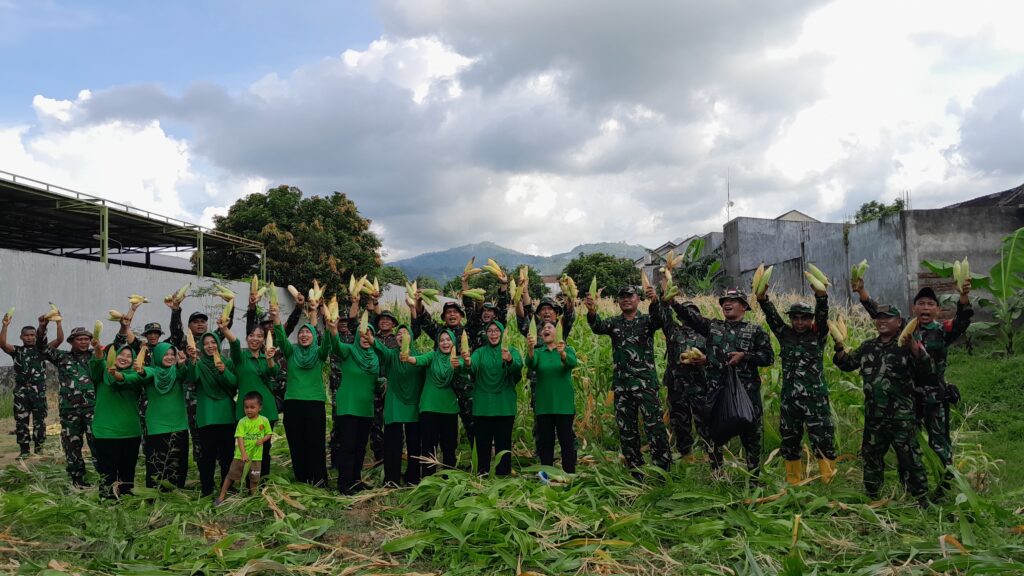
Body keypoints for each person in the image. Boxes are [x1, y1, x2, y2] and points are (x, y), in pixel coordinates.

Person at [853, 276, 972, 494]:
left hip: (934, 396)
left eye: (930, 304)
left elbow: (962, 322)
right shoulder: (905, 328)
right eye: (921, 304)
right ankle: (909, 486)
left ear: (937, 309)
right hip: (906, 398)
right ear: (914, 308)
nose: (925, 308)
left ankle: (944, 487)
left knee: (939, 444)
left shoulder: (943, 330)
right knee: (907, 446)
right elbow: (879, 314)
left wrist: (963, 296)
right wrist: (862, 293)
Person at [833, 305, 931, 504]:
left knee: (910, 459)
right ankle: (872, 496)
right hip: (874, 416)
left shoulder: (906, 345)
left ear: (898, 322)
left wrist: (912, 344)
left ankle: (920, 498)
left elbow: (927, 368)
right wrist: (839, 348)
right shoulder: (868, 346)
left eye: (888, 318)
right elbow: (847, 364)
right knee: (871, 458)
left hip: (901, 417)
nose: (882, 321)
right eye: (879, 318)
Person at [674, 288, 774, 476]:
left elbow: (768, 358)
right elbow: (691, 317)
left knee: (751, 435)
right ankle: (717, 473)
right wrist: (673, 302)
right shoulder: (713, 327)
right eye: (724, 301)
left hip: (746, 392)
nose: (727, 303)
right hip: (715, 391)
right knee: (711, 434)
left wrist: (745, 356)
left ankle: (754, 477)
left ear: (744, 306)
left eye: (733, 300)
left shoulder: (755, 330)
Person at [584, 285, 671, 472]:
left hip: (646, 384)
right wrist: (591, 312)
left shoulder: (647, 321)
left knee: (655, 428)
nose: (626, 299)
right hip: (623, 387)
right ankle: (635, 470)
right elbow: (597, 327)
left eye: (630, 296)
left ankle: (663, 470)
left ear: (638, 299)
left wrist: (655, 301)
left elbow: (663, 319)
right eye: (622, 297)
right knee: (627, 432)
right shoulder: (614, 323)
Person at [756, 286, 837, 485]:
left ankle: (828, 480)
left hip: (815, 398)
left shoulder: (818, 335)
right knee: (790, 440)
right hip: (790, 399)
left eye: (804, 318)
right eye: (795, 318)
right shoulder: (785, 334)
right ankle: (793, 481)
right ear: (791, 319)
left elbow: (822, 314)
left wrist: (821, 296)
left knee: (823, 439)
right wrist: (763, 299)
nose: (800, 322)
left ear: (811, 320)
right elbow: (773, 317)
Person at [272, 304, 332, 487]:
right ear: (297, 337)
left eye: (308, 333)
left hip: (314, 402)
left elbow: (328, 343)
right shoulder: (291, 351)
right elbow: (281, 338)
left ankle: (319, 479)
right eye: (301, 333)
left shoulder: (319, 353)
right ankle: (301, 477)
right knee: (296, 442)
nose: (304, 335)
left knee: (315, 442)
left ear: (314, 337)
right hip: (293, 402)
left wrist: (329, 326)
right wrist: (275, 317)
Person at [40, 319, 97, 487]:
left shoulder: (96, 356)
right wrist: (43, 327)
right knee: (72, 446)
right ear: (71, 341)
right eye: (80, 339)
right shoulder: (62, 357)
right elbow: (42, 348)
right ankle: (77, 480)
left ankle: (105, 478)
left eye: (86, 339)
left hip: (93, 409)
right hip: (69, 410)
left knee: (98, 444)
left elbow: (119, 344)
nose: (84, 341)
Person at [461, 320, 523, 476]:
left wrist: (509, 359)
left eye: (496, 331)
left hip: (504, 406)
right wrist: (467, 361)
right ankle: (483, 473)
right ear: (486, 334)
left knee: (504, 444)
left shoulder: (510, 350)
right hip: (483, 406)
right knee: (483, 444)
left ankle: (503, 475)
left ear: (501, 333)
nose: (493, 334)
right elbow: (471, 366)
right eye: (490, 331)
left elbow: (518, 367)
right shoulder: (480, 352)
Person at [656, 298, 712, 462]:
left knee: (705, 420)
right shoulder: (673, 330)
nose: (689, 315)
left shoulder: (705, 333)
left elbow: (716, 356)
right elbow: (663, 314)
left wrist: (704, 359)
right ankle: (686, 455)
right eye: (686, 312)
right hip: (676, 385)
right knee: (680, 422)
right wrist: (664, 297)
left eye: (693, 312)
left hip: (699, 385)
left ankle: (711, 453)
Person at [412, 296, 474, 443]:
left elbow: (476, 314)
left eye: (455, 312)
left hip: (465, 387)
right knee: (444, 431)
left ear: (461, 315)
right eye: (448, 312)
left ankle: (478, 461)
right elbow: (424, 319)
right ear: (444, 317)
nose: (452, 314)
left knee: (472, 425)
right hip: (445, 389)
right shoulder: (439, 332)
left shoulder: (469, 331)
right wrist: (419, 302)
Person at [223, 322, 279, 480]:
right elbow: (234, 344)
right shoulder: (240, 358)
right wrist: (225, 329)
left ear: (264, 339)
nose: (255, 339)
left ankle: (262, 481)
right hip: (245, 411)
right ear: (247, 338)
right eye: (252, 335)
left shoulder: (266, 356)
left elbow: (274, 372)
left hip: (266, 410)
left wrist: (269, 359)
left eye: (260, 336)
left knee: (264, 449)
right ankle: (246, 481)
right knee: (244, 448)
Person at [402, 329, 462, 477]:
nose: (445, 342)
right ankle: (428, 480)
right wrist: (408, 358)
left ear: (453, 342)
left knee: (449, 447)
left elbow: (465, 368)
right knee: (429, 446)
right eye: (442, 340)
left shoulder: (456, 360)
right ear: (438, 343)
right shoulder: (432, 356)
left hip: (449, 409)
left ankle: (449, 480)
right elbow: (419, 360)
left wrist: (460, 365)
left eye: (448, 339)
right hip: (429, 408)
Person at [373, 323, 426, 486]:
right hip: (395, 402)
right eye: (398, 334)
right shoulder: (391, 355)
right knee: (392, 443)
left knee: (414, 444)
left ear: (411, 337)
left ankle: (413, 478)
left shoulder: (419, 358)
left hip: (414, 404)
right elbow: (380, 349)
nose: (401, 336)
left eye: (405, 333)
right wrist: (369, 338)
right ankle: (392, 479)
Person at [88, 342, 143, 499]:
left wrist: (114, 373)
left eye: (129, 356)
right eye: (121, 354)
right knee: (107, 473)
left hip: (130, 431)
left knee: (127, 473)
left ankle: (126, 500)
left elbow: (124, 380)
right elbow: (98, 362)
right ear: (114, 355)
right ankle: (108, 501)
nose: (124, 358)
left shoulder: (137, 375)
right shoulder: (102, 373)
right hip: (106, 432)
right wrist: (98, 349)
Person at [188, 328, 238, 497]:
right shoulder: (199, 364)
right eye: (206, 343)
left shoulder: (227, 362)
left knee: (227, 455)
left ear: (218, 343)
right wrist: (192, 360)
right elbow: (191, 378)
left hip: (226, 415)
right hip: (207, 416)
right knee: (207, 456)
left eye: (213, 342)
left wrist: (223, 371)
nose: (210, 346)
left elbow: (233, 384)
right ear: (201, 346)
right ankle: (207, 488)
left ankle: (229, 486)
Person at [331, 318, 379, 494]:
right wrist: (333, 329)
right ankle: (344, 483)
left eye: (369, 334)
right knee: (348, 446)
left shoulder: (375, 358)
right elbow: (336, 345)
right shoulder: (349, 351)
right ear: (357, 337)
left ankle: (356, 480)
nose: (366, 337)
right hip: (349, 405)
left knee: (360, 446)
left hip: (366, 407)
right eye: (362, 334)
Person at [526, 320, 578, 472]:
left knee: (566, 441)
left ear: (558, 332)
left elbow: (572, 363)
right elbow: (530, 362)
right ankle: (546, 474)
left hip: (564, 405)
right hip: (544, 405)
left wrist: (562, 353)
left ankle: (569, 474)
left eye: (550, 327)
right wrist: (530, 347)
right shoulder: (539, 352)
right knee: (545, 443)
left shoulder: (568, 349)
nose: (545, 329)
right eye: (543, 328)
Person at [139, 342, 191, 488]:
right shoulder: (152, 371)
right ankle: (155, 492)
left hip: (178, 423)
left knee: (178, 462)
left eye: (171, 354)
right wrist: (141, 370)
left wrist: (181, 364)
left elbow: (184, 373)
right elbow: (144, 373)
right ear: (157, 356)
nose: (169, 357)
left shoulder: (177, 371)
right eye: (165, 354)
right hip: (157, 425)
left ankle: (176, 490)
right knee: (157, 462)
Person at [0, 312, 48, 457]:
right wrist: (5, 326)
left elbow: (59, 340)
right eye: (26, 335)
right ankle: (24, 451)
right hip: (21, 392)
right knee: (22, 422)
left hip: (38, 391)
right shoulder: (17, 351)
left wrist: (55, 324)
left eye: (32, 335)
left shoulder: (42, 351)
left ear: (36, 336)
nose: (29, 337)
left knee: (40, 421)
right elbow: (2, 344)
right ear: (21, 337)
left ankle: (39, 449)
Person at [216, 391, 273, 505]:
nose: (249, 410)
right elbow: (240, 438)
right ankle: (221, 496)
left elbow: (269, 433)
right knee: (231, 476)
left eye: (252, 407)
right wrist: (243, 454)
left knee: (254, 479)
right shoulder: (242, 422)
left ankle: (253, 498)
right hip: (240, 457)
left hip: (256, 457)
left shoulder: (264, 420)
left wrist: (263, 439)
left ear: (260, 408)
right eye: (246, 407)